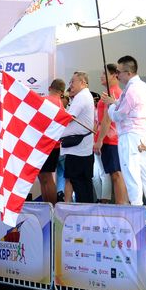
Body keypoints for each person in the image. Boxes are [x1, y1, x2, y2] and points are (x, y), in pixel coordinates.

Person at [101, 55, 146, 206]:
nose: (117, 75)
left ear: (128, 73)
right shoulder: (142, 87)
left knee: (131, 172)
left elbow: (118, 115)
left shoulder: (132, 90)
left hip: (130, 136)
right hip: (143, 135)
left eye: (118, 72)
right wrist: (113, 102)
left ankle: (136, 207)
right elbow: (126, 107)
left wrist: (111, 106)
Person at [93, 64, 127, 204]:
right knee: (113, 174)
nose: (101, 76)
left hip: (112, 140)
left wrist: (99, 140)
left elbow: (107, 119)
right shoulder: (110, 93)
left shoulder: (114, 93)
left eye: (104, 73)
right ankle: (121, 205)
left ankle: (121, 206)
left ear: (114, 75)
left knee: (116, 174)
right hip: (108, 139)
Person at [60, 72, 96, 203]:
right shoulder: (83, 96)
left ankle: (82, 209)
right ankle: (74, 207)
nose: (70, 85)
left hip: (78, 150)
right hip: (79, 148)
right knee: (77, 181)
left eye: (72, 81)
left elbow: (69, 118)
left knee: (78, 183)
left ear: (82, 83)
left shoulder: (81, 96)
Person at [38, 79, 66, 203]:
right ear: (62, 92)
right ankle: (50, 208)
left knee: (45, 177)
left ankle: (51, 208)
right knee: (45, 177)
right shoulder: (61, 104)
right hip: (53, 145)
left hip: (44, 145)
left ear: (49, 88)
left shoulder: (43, 101)